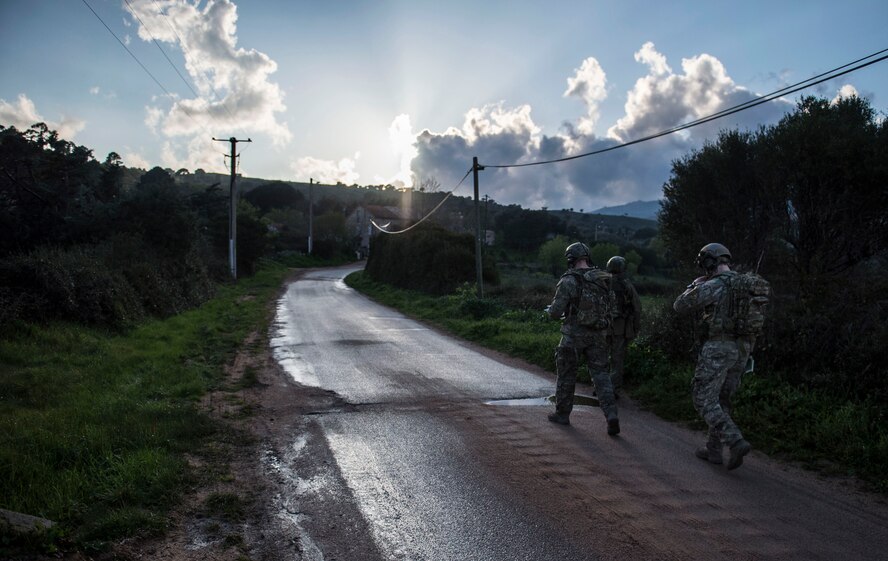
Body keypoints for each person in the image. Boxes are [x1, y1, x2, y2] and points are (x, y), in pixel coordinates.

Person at [673, 243, 767, 470]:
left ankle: (734, 440)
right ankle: (713, 449)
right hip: (744, 348)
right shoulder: (746, 284)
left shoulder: (715, 285)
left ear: (708, 262)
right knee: (722, 399)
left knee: (703, 398)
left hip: (719, 347)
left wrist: (693, 286)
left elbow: (680, 306)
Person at [546, 242, 620, 435]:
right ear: (588, 257)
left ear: (570, 259)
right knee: (601, 376)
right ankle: (611, 414)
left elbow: (555, 312)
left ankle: (562, 414)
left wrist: (551, 312)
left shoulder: (569, 280)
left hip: (573, 336)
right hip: (598, 336)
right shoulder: (604, 278)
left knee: (566, 374)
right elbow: (613, 309)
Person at [606, 256, 641, 396]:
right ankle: (613, 389)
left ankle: (600, 387)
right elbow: (637, 307)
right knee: (617, 359)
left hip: (602, 327)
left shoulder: (602, 282)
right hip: (620, 327)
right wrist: (636, 327)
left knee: (601, 358)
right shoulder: (626, 284)